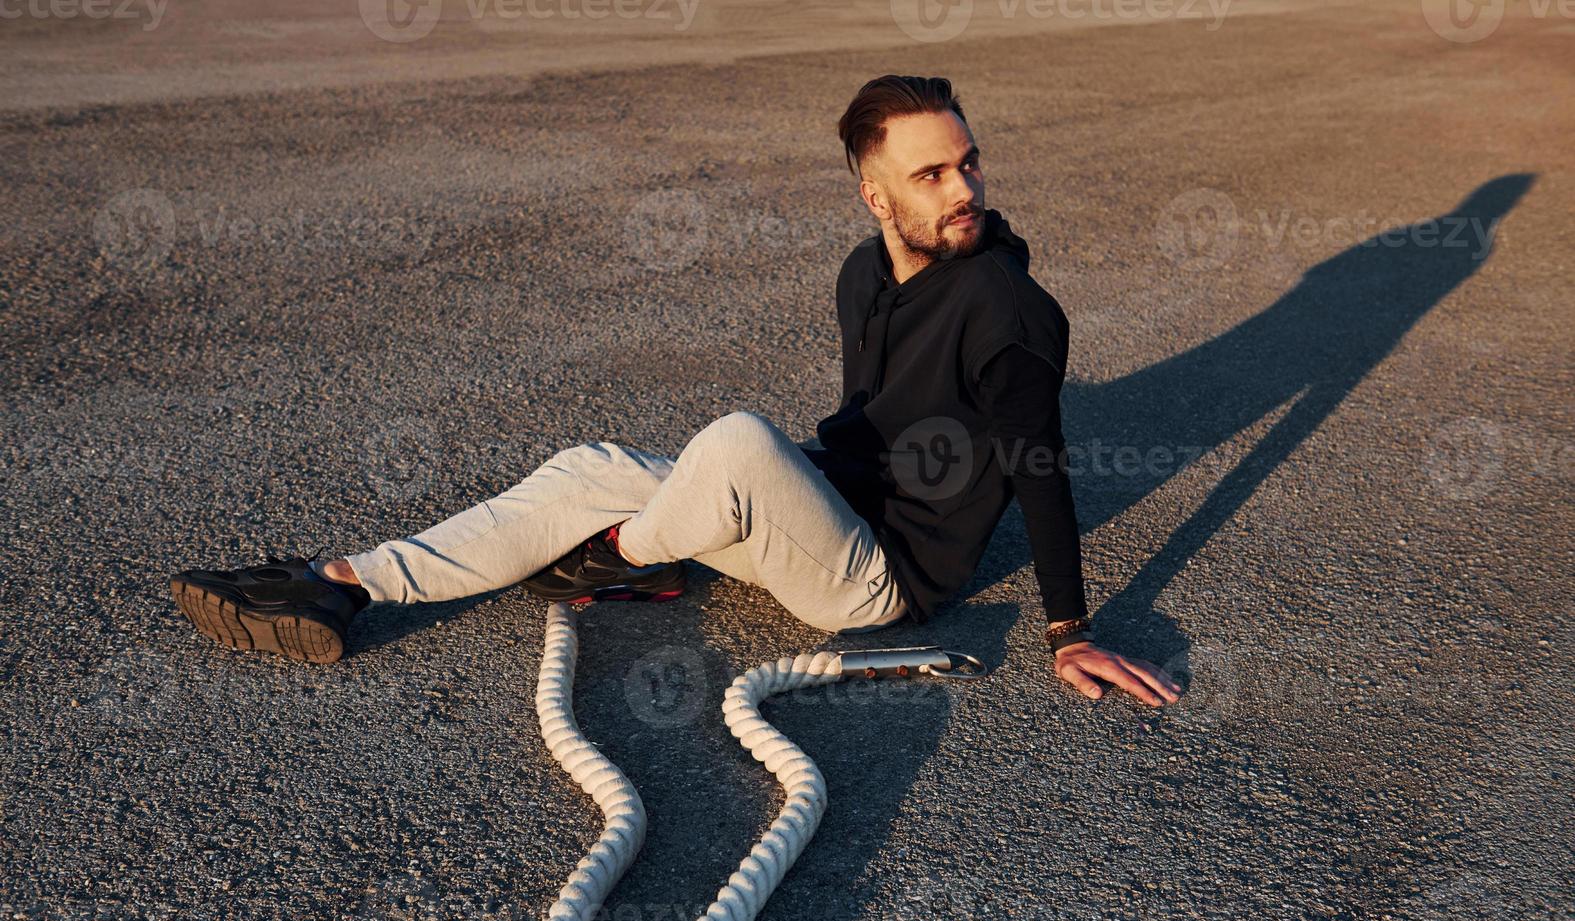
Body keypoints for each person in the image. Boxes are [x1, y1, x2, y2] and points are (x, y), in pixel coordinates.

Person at [170, 75, 1180, 708]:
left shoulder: (1009, 309)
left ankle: (617, 558)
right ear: (877, 197)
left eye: (968, 163)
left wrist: (1069, 631)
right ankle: (346, 583)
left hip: (879, 578)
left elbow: (1039, 464)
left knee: (737, 443)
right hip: (827, 508)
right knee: (586, 466)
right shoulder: (863, 275)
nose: (963, 190)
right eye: (932, 176)